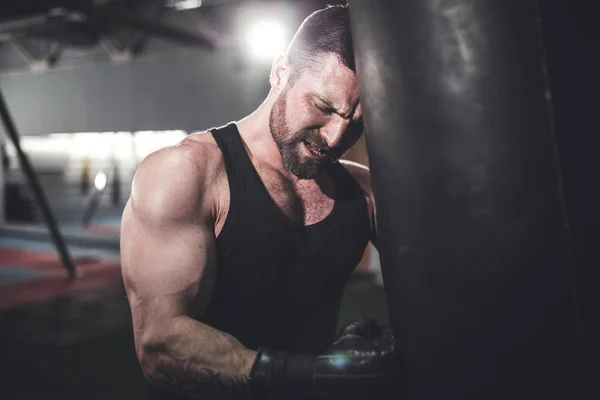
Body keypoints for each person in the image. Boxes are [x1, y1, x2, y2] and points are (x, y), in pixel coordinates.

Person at [120, 4, 396, 400]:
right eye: (322, 107)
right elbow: (158, 347)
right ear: (281, 72)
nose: (336, 137)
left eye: (356, 121)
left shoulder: (364, 193)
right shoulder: (186, 174)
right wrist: (306, 376)